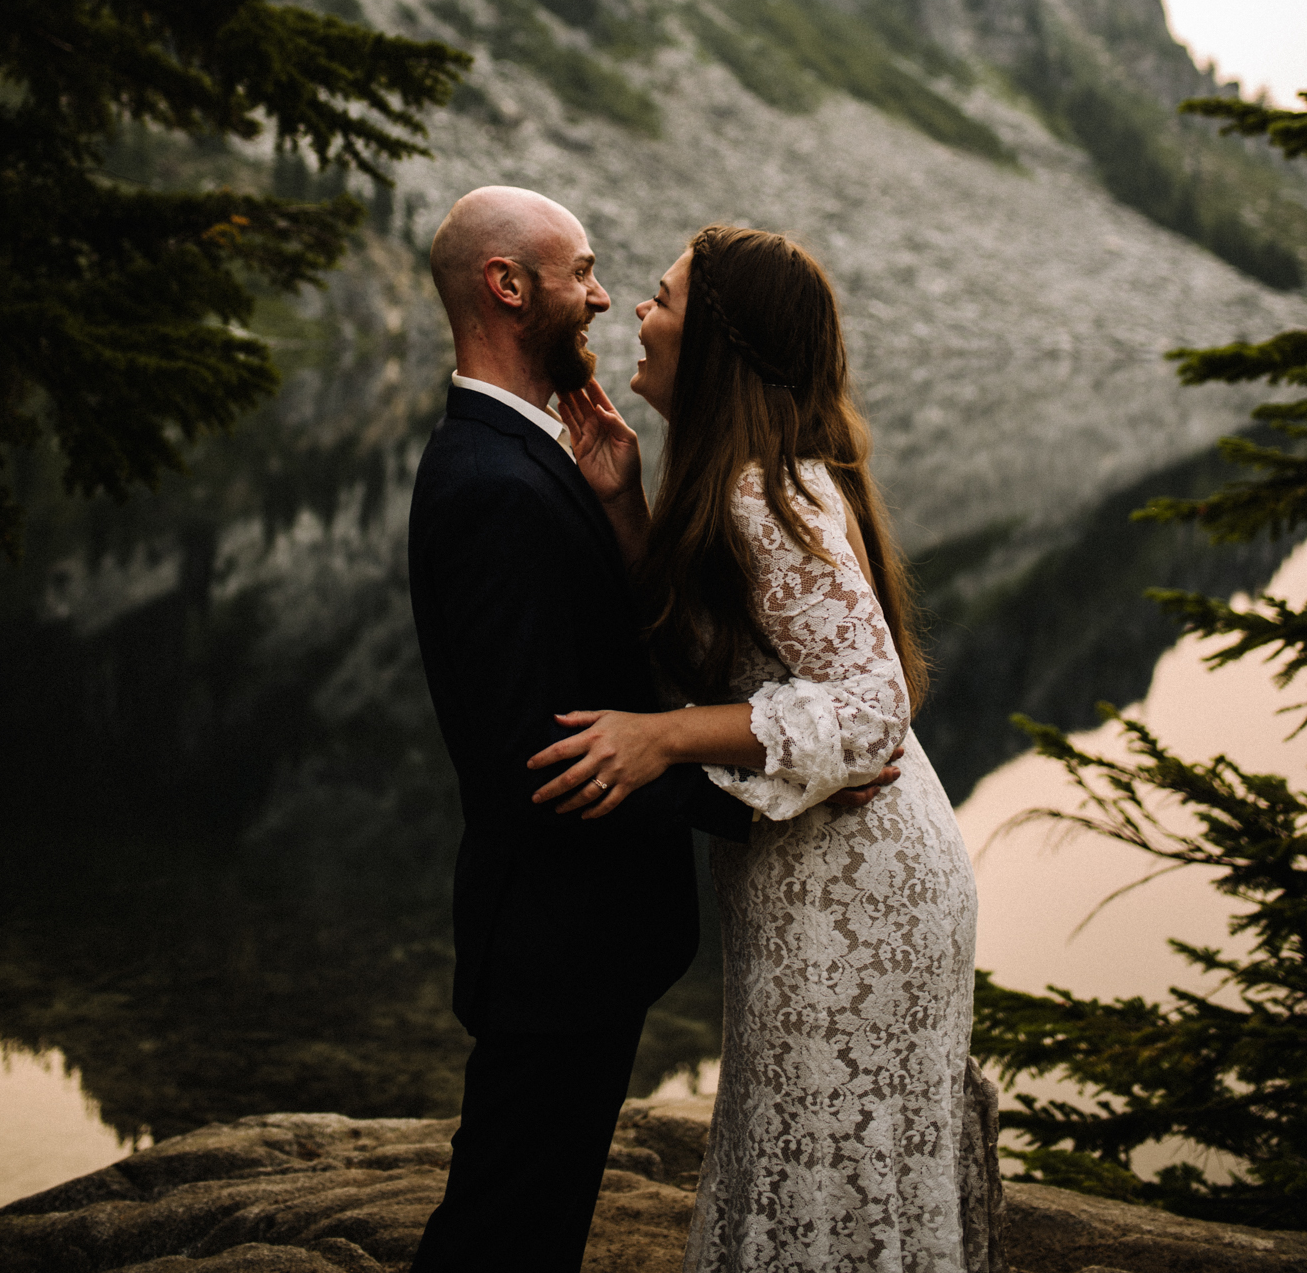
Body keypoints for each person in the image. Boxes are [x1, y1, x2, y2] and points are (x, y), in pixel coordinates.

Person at [406, 189, 903, 1273]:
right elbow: (545, 748)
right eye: (580, 270)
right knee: (502, 1231)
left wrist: (625, 514)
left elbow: (648, 672)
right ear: (508, 284)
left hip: (582, 935)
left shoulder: (546, 458)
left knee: (528, 1222)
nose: (604, 296)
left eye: (632, 285)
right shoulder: (491, 480)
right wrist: (760, 780)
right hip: (554, 938)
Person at [530, 224, 1002, 1273]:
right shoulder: (741, 476)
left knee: (826, 1156)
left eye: (658, 299)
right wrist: (623, 508)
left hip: (857, 880)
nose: (634, 315)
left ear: (717, 345)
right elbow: (731, 653)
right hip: (826, 857)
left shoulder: (757, 487)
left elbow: (872, 704)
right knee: (808, 1148)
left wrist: (659, 739)